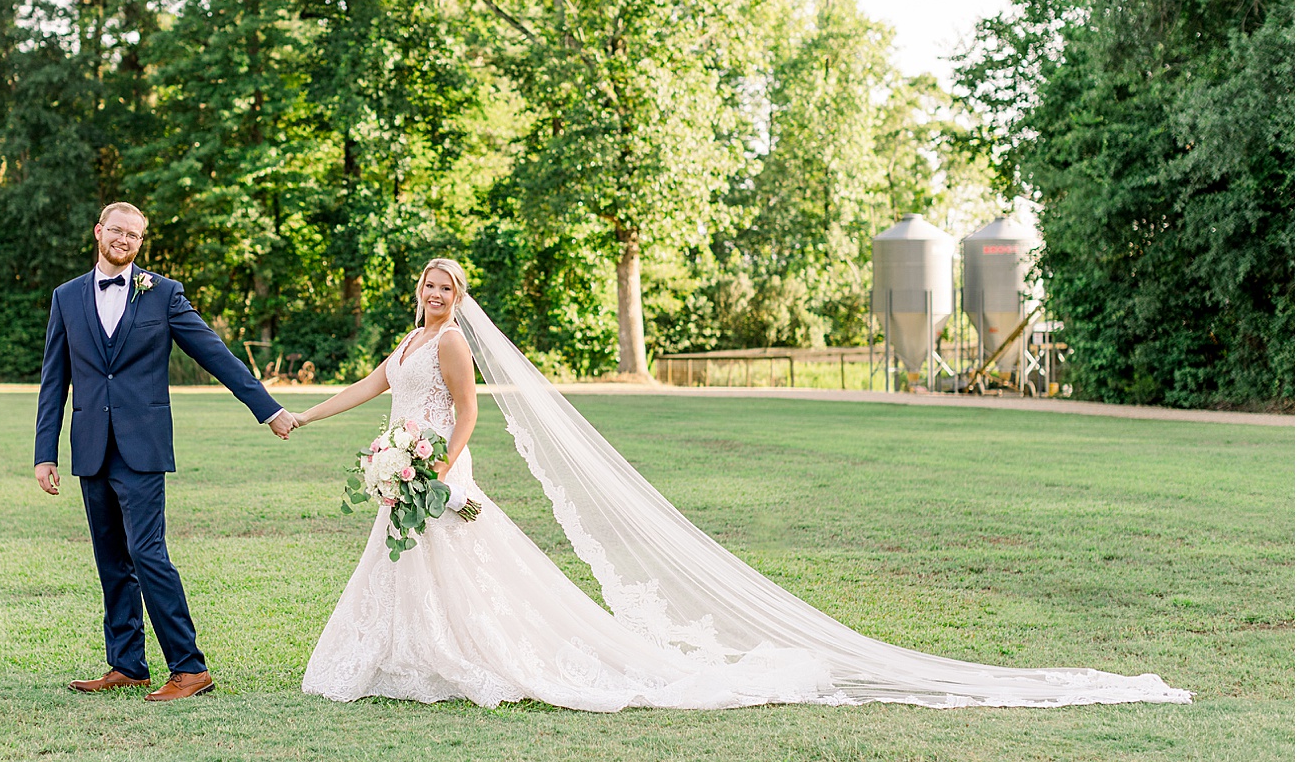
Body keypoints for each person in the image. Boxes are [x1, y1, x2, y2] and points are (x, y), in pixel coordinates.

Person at [288, 258, 1191, 712]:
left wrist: (438, 471)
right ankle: (408, 660)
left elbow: (468, 413)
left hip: (443, 472)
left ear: (460, 299)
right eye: (429, 283)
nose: (437, 294)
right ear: (417, 292)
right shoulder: (406, 342)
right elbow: (371, 390)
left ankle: (473, 660)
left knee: (480, 571)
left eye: (448, 286)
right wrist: (301, 416)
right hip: (404, 469)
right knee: (409, 567)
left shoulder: (450, 345)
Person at [33, 201, 298, 702]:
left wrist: (267, 409)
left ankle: (189, 668)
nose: (125, 241)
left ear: (140, 241)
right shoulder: (65, 298)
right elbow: (54, 380)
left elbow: (215, 353)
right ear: (99, 232)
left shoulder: (164, 294)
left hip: (142, 448)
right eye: (117, 231)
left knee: (147, 553)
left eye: (134, 235)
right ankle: (127, 665)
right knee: (111, 559)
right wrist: (44, 452)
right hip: (91, 447)